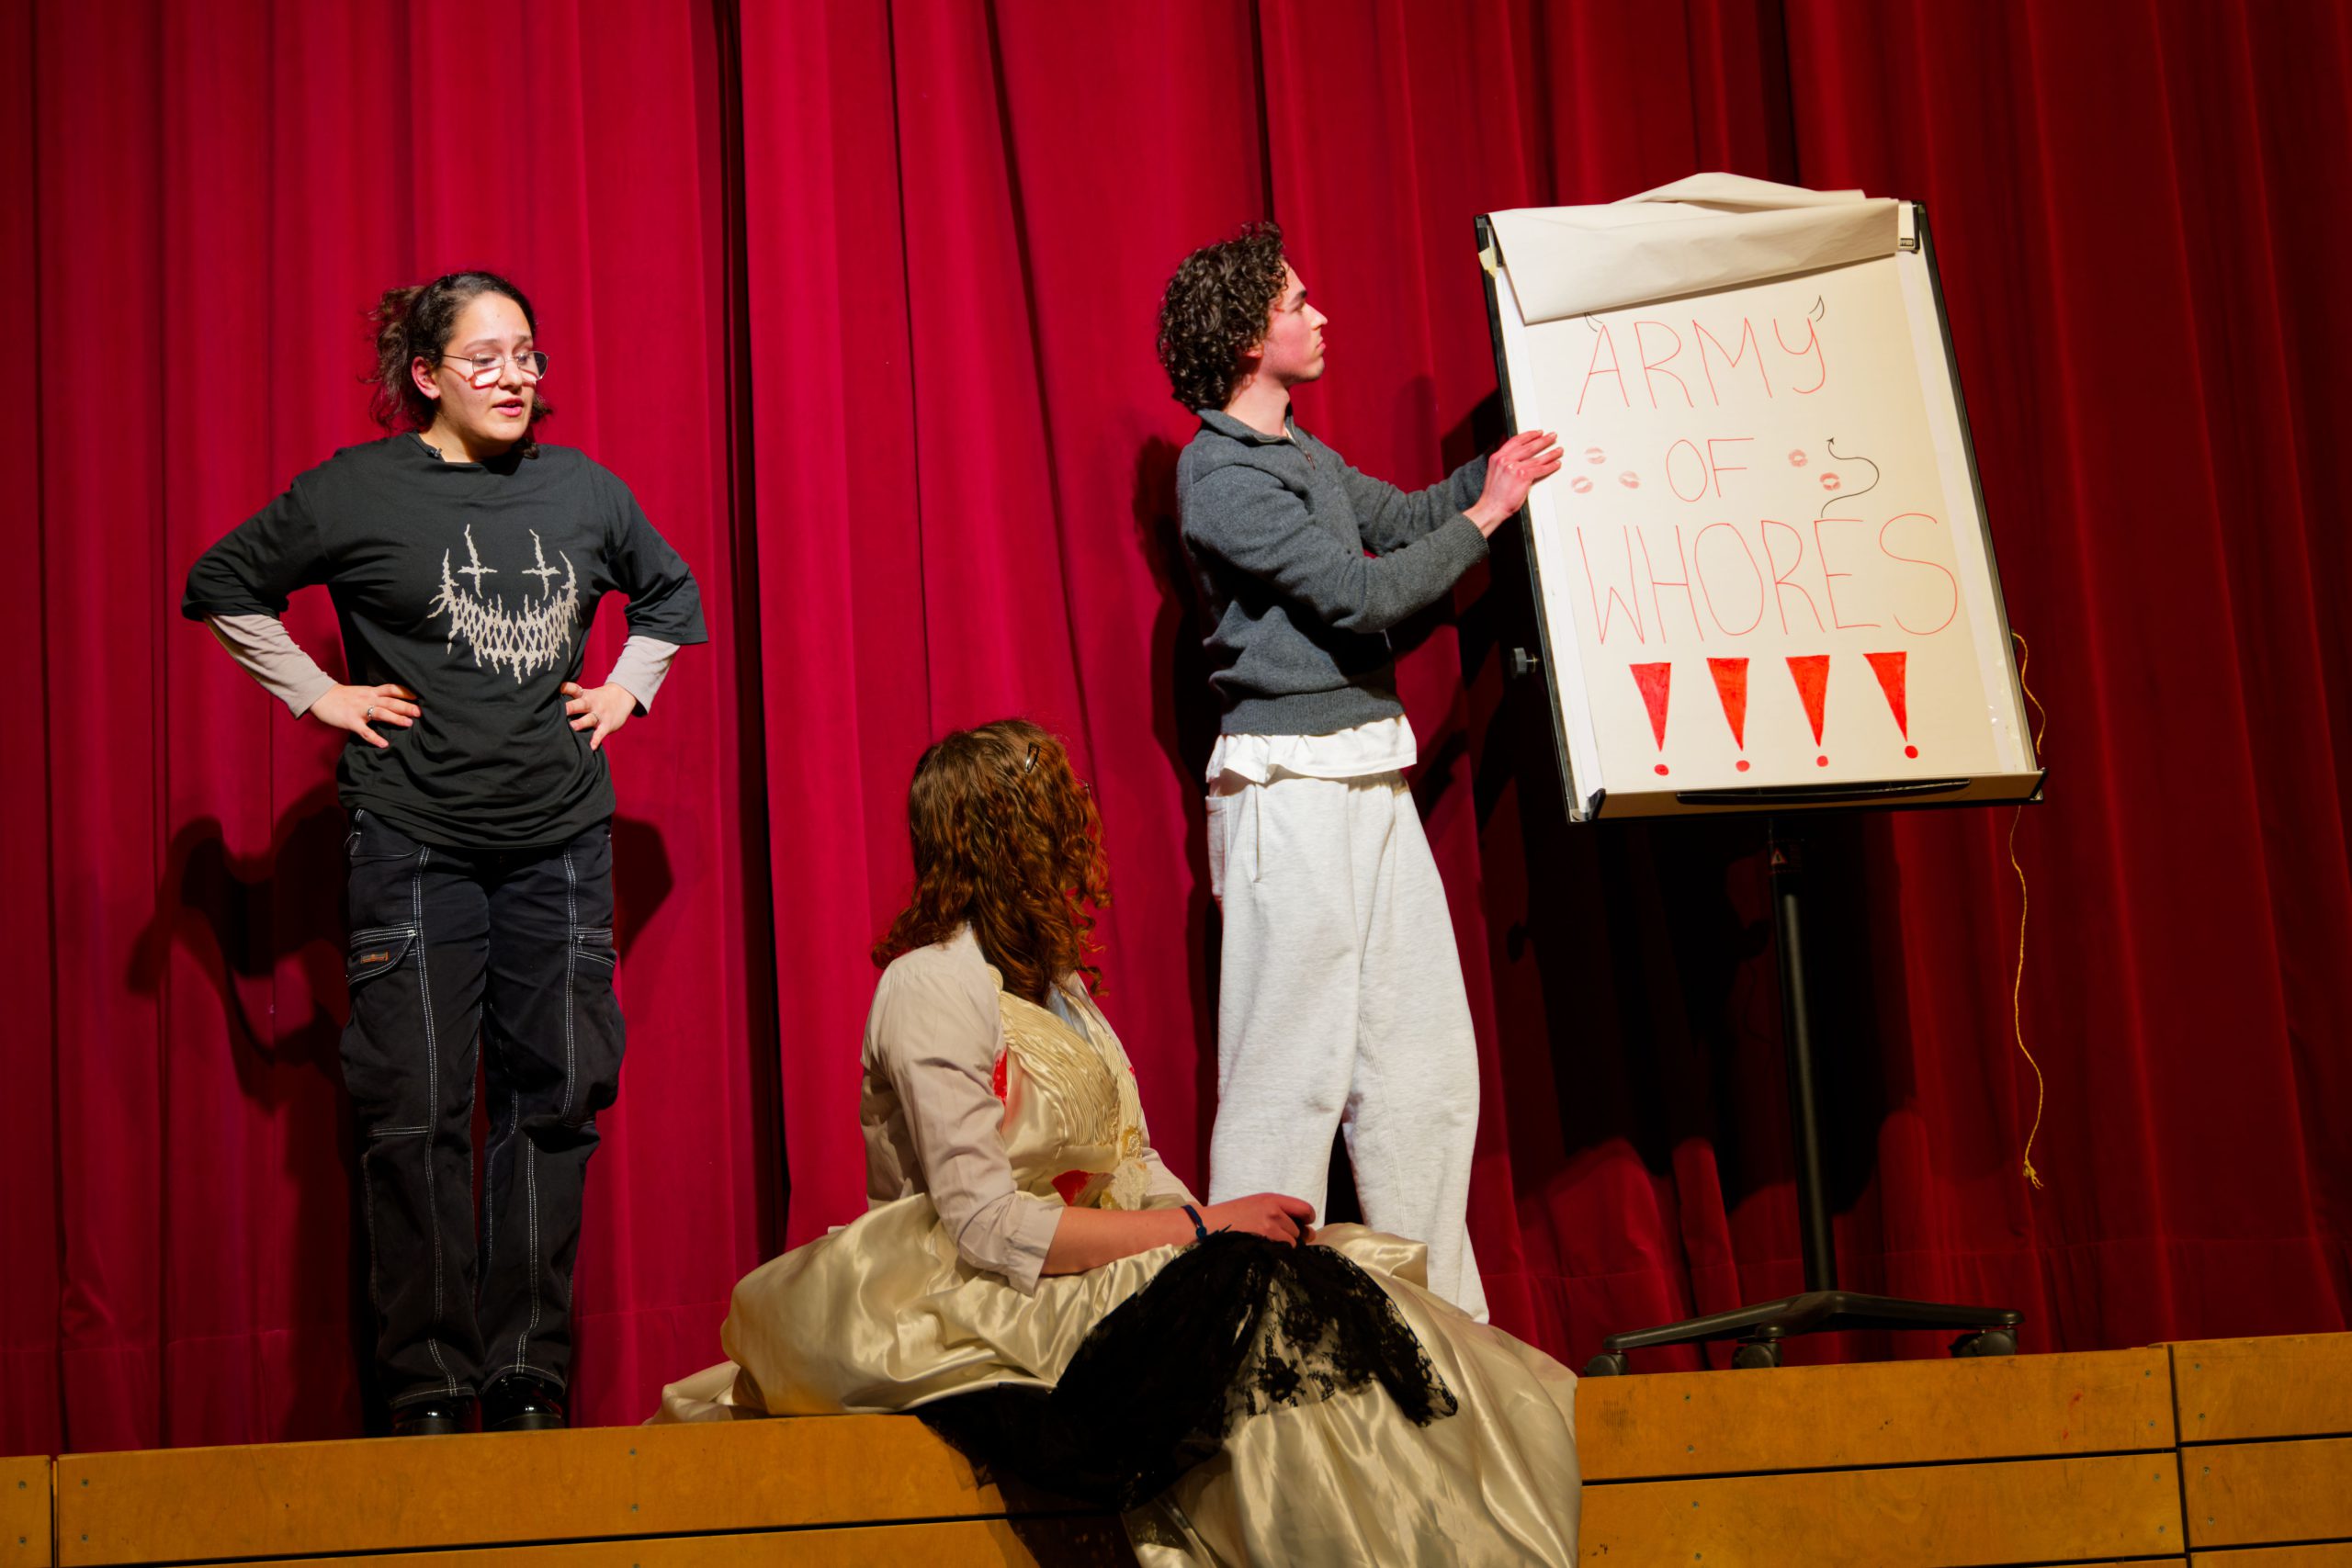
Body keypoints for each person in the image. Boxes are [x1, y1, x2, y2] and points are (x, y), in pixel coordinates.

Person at [653, 721, 1579, 1564]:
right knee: (1246, 1309)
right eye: (1053, 816)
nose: (1076, 836)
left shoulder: (1060, 990)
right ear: (1008, 838)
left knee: (1339, 1279)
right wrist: (1204, 1232)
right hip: (966, 1296)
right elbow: (986, 1226)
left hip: (1091, 1265)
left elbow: (1134, 1162)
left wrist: (1218, 1230)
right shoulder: (931, 984)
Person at [181, 270, 707, 1436]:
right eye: (485, 359)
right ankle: (426, 1384)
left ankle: (526, 1378)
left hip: (559, 843)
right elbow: (220, 583)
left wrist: (626, 690)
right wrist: (317, 694)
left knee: (553, 1104)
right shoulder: (358, 490)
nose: (514, 377)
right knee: (413, 1111)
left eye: (528, 355)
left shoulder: (583, 490)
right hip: (413, 843)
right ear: (426, 375)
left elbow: (669, 597)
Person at [1157, 222, 1563, 1322]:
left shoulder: (1302, 452)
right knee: (1287, 1073)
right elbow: (1361, 594)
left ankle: (1443, 1333)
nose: (1319, 314)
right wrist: (1489, 512)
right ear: (1249, 338)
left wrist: (1508, 465)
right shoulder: (1217, 473)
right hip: (1286, 787)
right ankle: (1248, 1335)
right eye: (1296, 302)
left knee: (1420, 1067)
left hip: (1366, 770)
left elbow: (1408, 519)